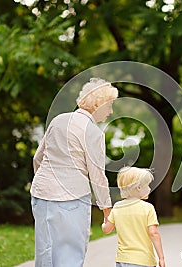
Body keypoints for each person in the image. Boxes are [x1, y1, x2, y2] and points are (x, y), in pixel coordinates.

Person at [30, 78, 118, 267]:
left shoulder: (58, 120)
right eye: (109, 105)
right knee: (69, 257)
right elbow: (97, 176)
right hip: (72, 198)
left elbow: (38, 158)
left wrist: (44, 183)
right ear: (97, 104)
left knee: (45, 254)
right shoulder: (94, 133)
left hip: (41, 195)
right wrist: (107, 214)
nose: (111, 111)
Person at [102, 167, 166, 267]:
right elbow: (154, 233)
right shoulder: (148, 208)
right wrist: (161, 257)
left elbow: (107, 229)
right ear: (139, 187)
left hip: (122, 260)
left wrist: (106, 216)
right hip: (143, 261)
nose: (149, 189)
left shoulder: (117, 207)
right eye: (147, 185)